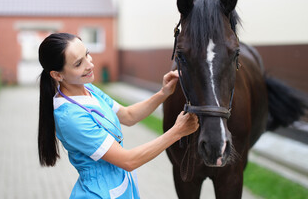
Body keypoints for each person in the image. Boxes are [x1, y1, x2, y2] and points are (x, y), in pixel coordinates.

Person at [38, 33, 199, 199]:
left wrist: (163, 93)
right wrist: (177, 131)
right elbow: (128, 161)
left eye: (87, 54)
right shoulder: (70, 117)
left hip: (120, 188)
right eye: (79, 63)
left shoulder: (88, 88)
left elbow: (128, 115)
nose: (90, 64)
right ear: (57, 75)